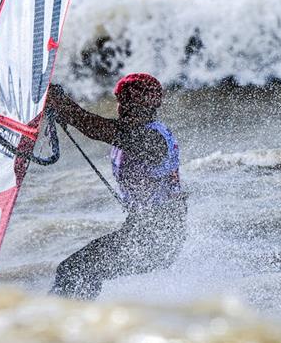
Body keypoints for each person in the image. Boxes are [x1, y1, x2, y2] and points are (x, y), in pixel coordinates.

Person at [46, 73, 187, 300]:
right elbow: (94, 126)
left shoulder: (151, 139)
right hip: (141, 231)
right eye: (121, 101)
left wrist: (60, 103)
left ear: (145, 105)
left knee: (74, 270)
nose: (122, 108)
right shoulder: (135, 133)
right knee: (81, 270)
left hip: (158, 239)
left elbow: (93, 127)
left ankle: (57, 322)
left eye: (129, 103)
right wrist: (62, 109)